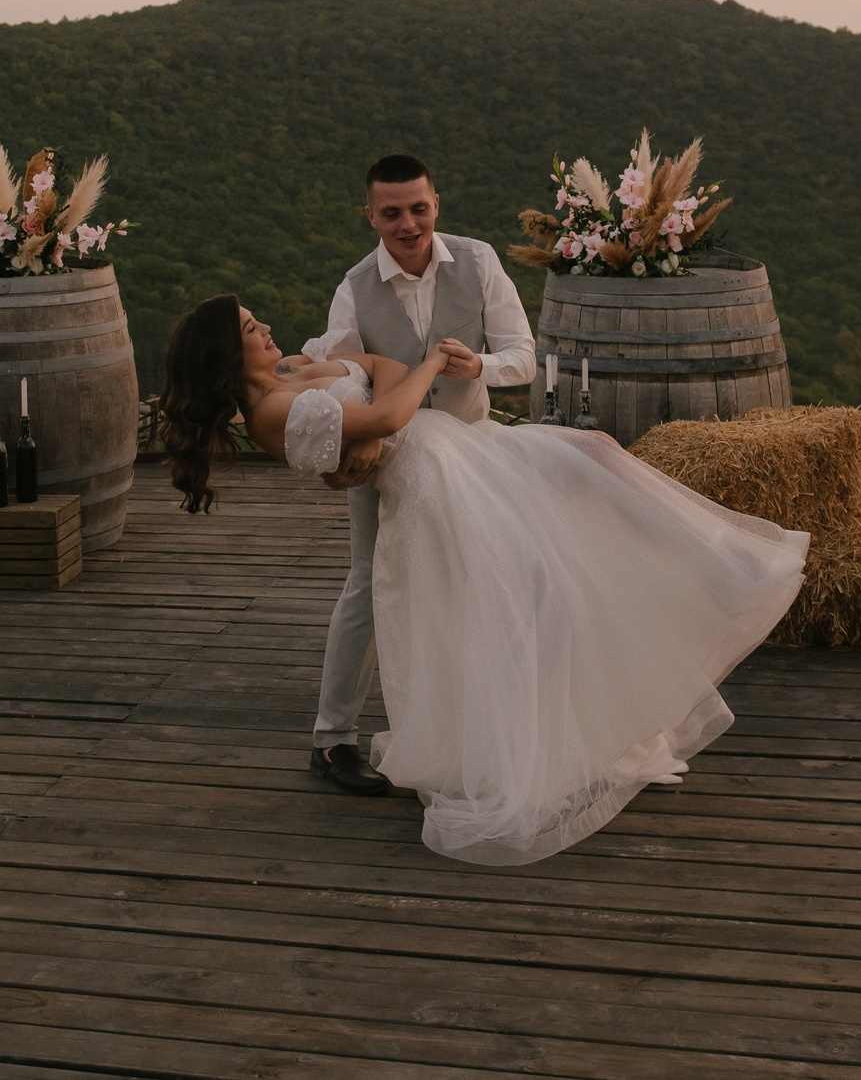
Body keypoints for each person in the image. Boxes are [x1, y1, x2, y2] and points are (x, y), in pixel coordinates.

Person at [154, 294, 809, 868]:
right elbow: (388, 414)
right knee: (522, 582)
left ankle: (721, 554)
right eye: (248, 327)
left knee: (596, 453)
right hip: (432, 481)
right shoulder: (275, 411)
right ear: (227, 355)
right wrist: (423, 379)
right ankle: (557, 717)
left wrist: (384, 416)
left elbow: (383, 375)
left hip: (453, 446)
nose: (264, 325)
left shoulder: (297, 366)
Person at [295, 154, 535, 797]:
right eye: (392, 212)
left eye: (418, 208)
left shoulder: (480, 261)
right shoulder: (353, 288)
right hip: (388, 461)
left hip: (471, 453)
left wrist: (477, 366)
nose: (408, 224)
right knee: (368, 588)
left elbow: (524, 358)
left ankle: (480, 727)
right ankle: (332, 739)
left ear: (437, 204)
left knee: (486, 581)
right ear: (370, 214)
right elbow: (344, 374)